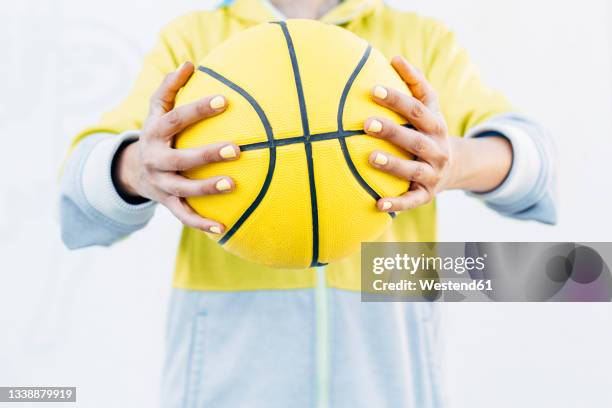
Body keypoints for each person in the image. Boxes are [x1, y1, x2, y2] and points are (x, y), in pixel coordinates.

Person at [59, 0, 556, 406]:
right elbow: (79, 194)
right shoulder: (195, 41)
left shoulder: (419, 40)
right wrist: (137, 169)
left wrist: (452, 162)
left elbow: (536, 165)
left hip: (390, 381)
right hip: (226, 385)